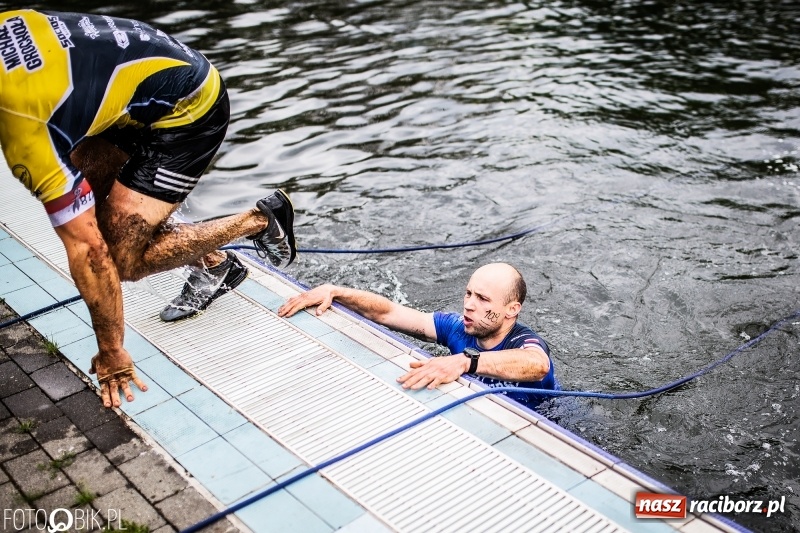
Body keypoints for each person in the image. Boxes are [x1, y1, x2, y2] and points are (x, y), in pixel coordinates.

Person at [0, 9, 297, 408]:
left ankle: (259, 220)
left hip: (187, 109)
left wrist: (112, 352)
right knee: (107, 206)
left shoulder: (26, 134)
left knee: (122, 258)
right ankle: (214, 264)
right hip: (131, 82)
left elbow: (90, 253)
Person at [278, 263, 559, 409]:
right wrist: (337, 291)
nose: (469, 304)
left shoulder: (524, 342)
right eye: (469, 293)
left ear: (512, 310)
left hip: (548, 420)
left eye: (483, 299)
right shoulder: (457, 326)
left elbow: (538, 365)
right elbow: (388, 313)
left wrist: (465, 362)